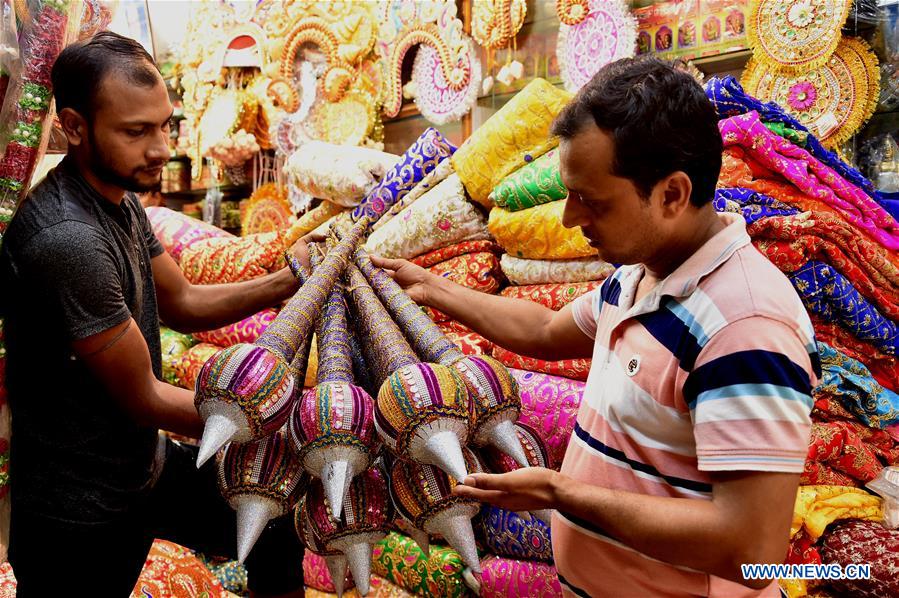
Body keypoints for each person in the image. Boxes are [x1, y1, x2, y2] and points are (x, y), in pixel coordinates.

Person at [373, 57, 820, 597]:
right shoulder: (639, 277)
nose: (568, 219)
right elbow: (544, 330)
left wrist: (564, 493)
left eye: (592, 200)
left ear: (672, 195)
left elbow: (752, 550)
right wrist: (431, 287)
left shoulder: (743, 327)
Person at [0, 32, 308, 597]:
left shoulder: (121, 201)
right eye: (136, 131)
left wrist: (290, 280)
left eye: (164, 125)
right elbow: (143, 395)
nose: (162, 148)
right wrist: (290, 420)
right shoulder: (69, 239)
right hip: (79, 506)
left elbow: (185, 304)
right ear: (74, 127)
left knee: (273, 519)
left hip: (144, 465)